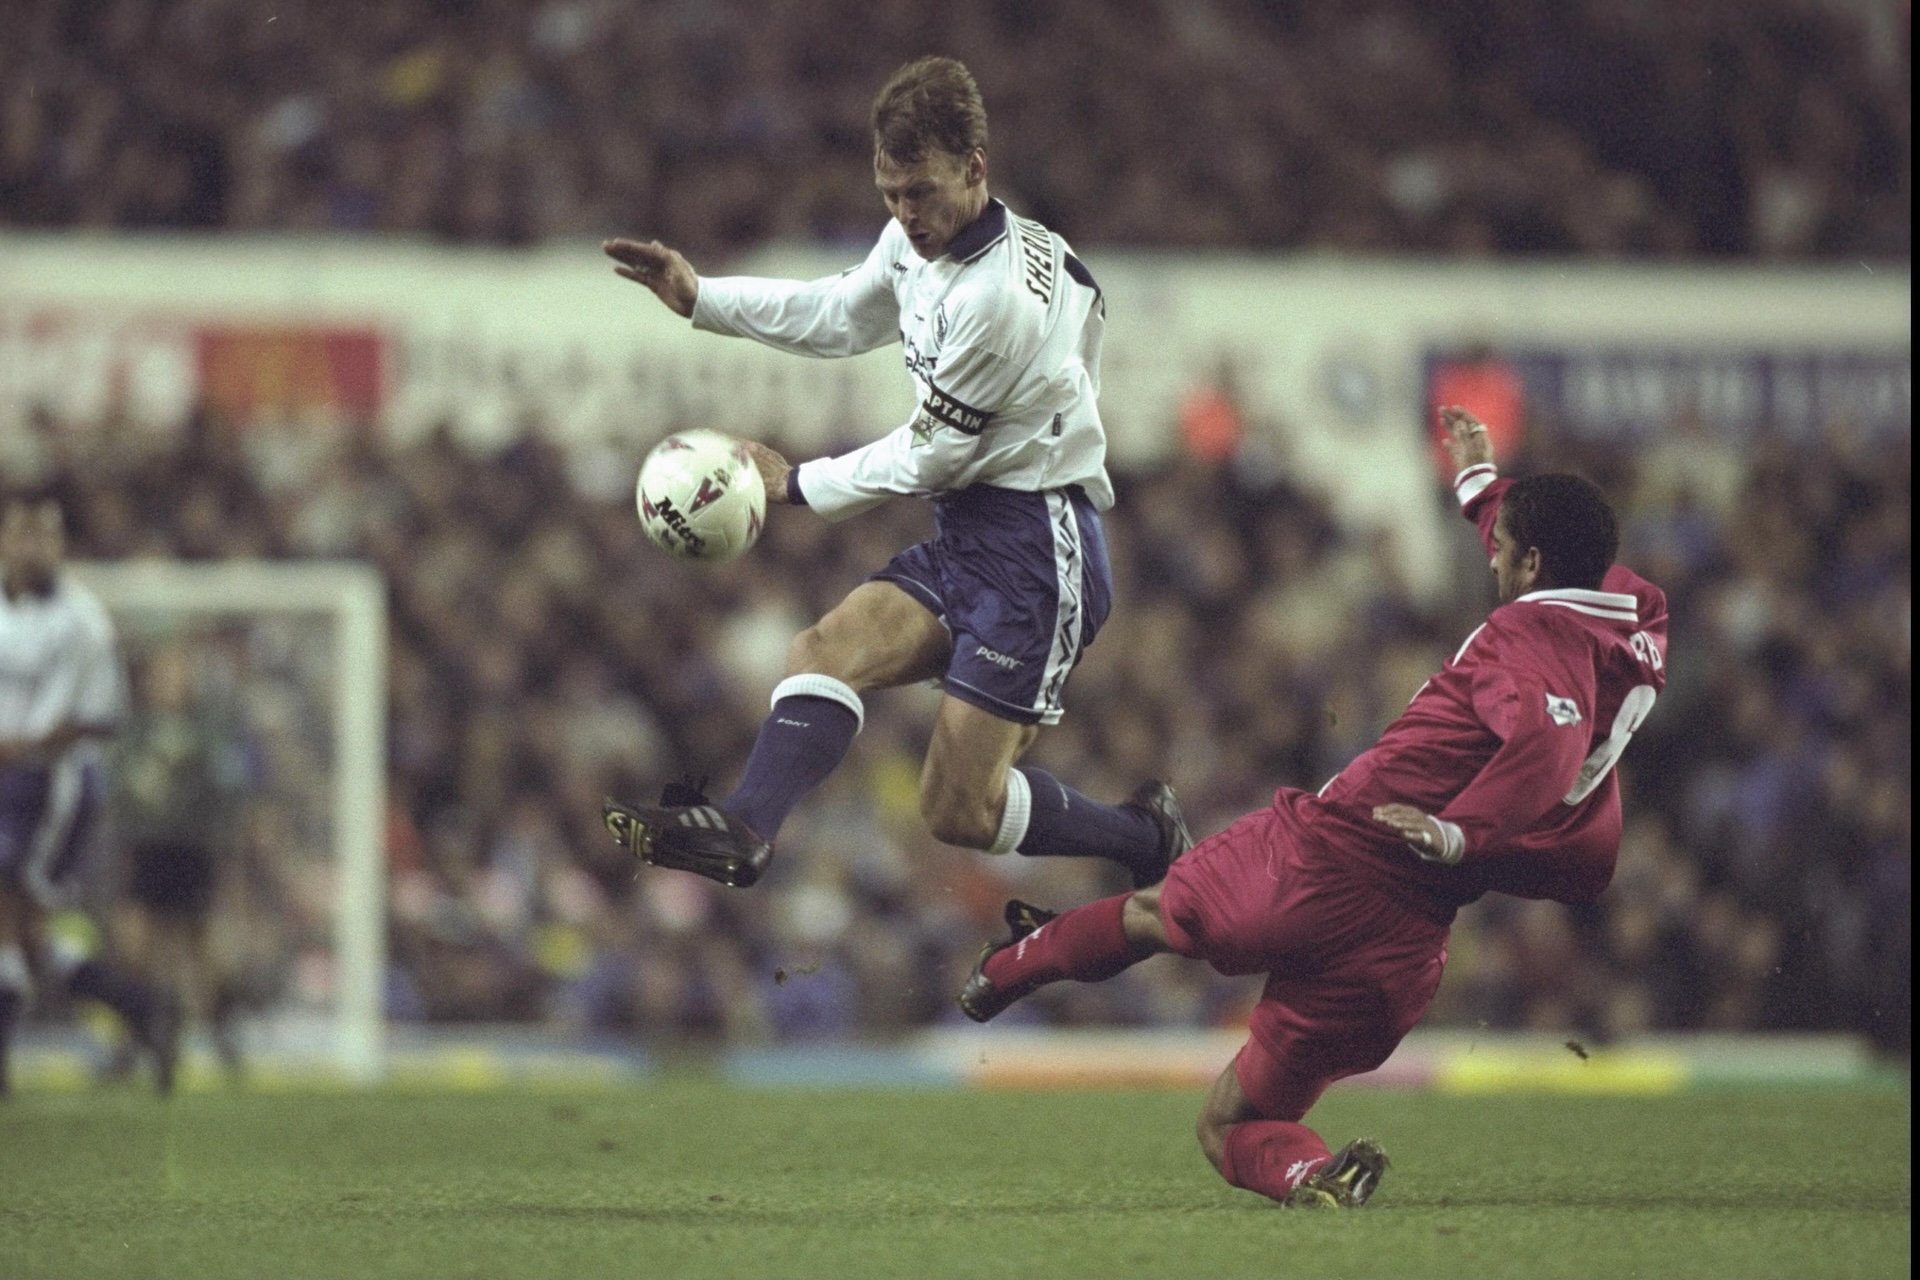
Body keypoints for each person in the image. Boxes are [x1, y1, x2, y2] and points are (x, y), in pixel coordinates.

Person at [955, 407, 1670, 1208]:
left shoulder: (1526, 645)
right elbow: (1554, 568)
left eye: (1504, 551)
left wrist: (1456, 831)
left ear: (1534, 563)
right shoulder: (1640, 615)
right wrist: (1475, 484)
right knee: (1226, 1124)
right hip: (1403, 947)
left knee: (1153, 913)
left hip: (1324, 862)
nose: (1493, 564)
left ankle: (1006, 968)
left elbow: (1547, 742)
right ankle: (1311, 1173)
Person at [599, 56, 1189, 889]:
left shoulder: (1000, 301)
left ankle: (1143, 837)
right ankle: (745, 828)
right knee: (822, 650)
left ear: (974, 168)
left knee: (957, 811)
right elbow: (841, 313)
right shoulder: (922, 242)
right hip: (973, 529)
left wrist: (796, 483)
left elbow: (932, 451)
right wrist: (704, 298)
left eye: (921, 192)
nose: (906, 214)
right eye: (889, 194)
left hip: (1039, 553)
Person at [0, 493, 180, 1097]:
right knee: (28, 935)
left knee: (8, 917)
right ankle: (143, 1008)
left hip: (53, 784)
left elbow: (103, 717)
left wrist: (24, 745)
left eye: (43, 535)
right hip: (9, 779)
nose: (30, 546)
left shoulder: (84, 621)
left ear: (61, 545)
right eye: (20, 533)